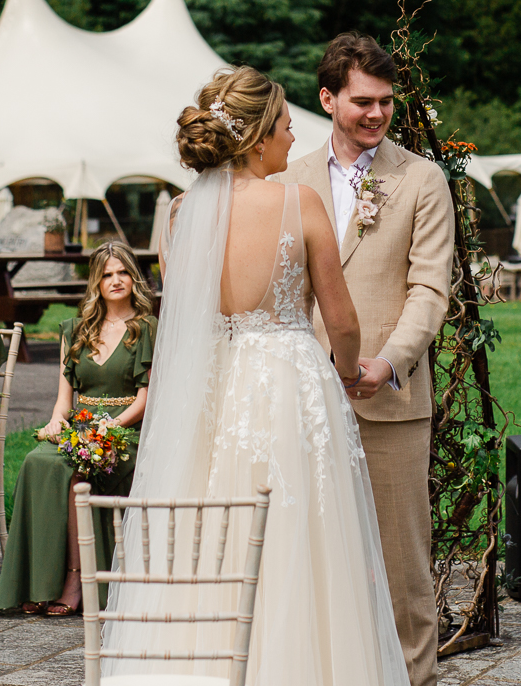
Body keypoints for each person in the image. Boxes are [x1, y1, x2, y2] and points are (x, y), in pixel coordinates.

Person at [105, 66, 407, 685]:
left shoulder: (181, 214)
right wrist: (347, 373)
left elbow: (189, 317)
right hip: (287, 390)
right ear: (257, 136)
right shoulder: (299, 202)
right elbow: (342, 321)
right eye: (287, 128)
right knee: (303, 535)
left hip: (209, 392)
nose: (294, 141)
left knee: (207, 530)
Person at [273, 32, 454, 686]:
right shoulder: (285, 178)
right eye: (362, 102)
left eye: (386, 102)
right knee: (310, 558)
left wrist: (389, 362)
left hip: (391, 403)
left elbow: (431, 287)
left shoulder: (420, 178)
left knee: (402, 567)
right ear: (327, 98)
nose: (377, 114)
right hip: (298, 398)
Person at [0, 241, 153, 617]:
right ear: (96, 283)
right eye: (107, 275)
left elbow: (146, 398)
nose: (116, 280)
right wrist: (54, 421)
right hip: (80, 427)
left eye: (123, 272)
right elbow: (65, 397)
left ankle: (74, 580)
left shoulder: (147, 328)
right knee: (36, 461)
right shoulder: (75, 329)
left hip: (126, 429)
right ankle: (35, 583)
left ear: (133, 277)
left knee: (75, 473)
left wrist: (109, 427)